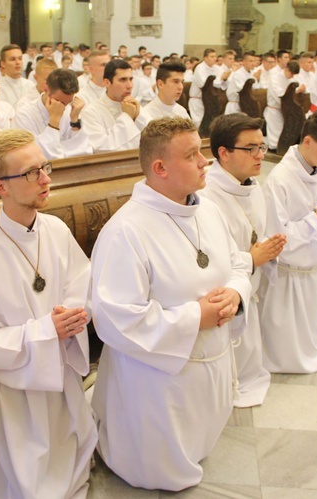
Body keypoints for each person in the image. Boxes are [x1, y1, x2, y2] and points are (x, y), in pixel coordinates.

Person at [91, 117, 251, 491]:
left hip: (210, 358)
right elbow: (116, 320)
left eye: (202, 151)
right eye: (192, 154)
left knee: (198, 439)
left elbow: (238, 261)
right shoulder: (126, 231)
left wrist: (236, 292)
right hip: (156, 382)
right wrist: (198, 315)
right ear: (160, 168)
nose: (204, 161)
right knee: (157, 467)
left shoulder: (206, 209)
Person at [0, 129, 96, 498]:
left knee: (69, 462)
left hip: (60, 376)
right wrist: (45, 330)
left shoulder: (56, 229)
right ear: (0, 187)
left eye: (45, 167)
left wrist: (76, 314)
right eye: (31, 173)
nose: (46, 179)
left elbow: (81, 284)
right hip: (12, 393)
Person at [200, 115, 286, 407]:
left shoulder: (251, 185)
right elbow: (205, 253)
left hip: (249, 283)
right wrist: (251, 258)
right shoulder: (205, 195)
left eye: (262, 147)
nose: (260, 156)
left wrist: (267, 248)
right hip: (222, 292)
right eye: (251, 149)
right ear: (224, 152)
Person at [258, 108, 317, 374]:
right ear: (308, 141)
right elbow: (275, 237)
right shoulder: (280, 180)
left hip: (315, 269)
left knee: (312, 335)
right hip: (288, 276)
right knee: (288, 350)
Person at [12, 68, 91, 159]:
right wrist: (54, 121)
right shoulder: (24, 115)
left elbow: (84, 150)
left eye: (68, 102)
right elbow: (38, 156)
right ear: (46, 89)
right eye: (59, 102)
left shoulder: (70, 110)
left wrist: (75, 120)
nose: (63, 107)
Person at [80, 59, 141, 152]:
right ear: (107, 82)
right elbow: (101, 149)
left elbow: (155, 138)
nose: (129, 85)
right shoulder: (91, 112)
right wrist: (127, 117)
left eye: (131, 79)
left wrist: (139, 116)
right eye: (123, 80)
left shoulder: (134, 105)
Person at [264, 60, 304, 151]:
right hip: (274, 109)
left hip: (285, 110)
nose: (292, 76)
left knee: (285, 132)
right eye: (291, 73)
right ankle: (274, 149)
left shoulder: (291, 79)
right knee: (276, 134)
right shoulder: (274, 78)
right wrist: (296, 90)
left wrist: (298, 90)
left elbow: (291, 92)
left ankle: (281, 148)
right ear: (286, 69)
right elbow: (280, 94)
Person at [136, 61, 190, 128]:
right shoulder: (147, 114)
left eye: (182, 82)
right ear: (160, 84)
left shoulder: (182, 111)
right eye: (176, 82)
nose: (181, 87)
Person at [189, 48, 230, 127]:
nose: (215, 58)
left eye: (215, 56)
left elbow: (223, 86)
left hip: (211, 101)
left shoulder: (217, 68)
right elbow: (204, 85)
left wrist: (225, 78)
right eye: (212, 56)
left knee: (210, 124)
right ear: (205, 58)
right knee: (199, 124)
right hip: (198, 100)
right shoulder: (200, 68)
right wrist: (221, 78)